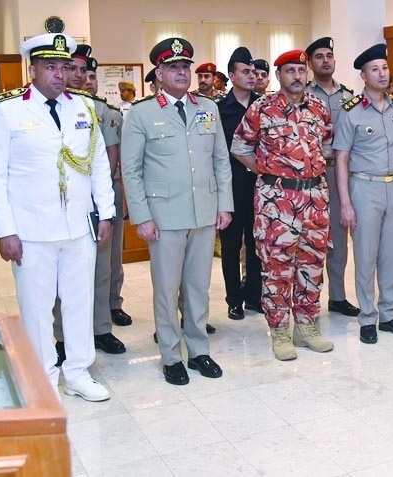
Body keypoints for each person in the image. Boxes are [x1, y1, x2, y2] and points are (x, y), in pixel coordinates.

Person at [0, 33, 115, 402]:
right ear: (34, 69)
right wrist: (5, 230)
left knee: (78, 301)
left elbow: (99, 164)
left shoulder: (84, 108)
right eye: (51, 67)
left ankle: (77, 372)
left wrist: (105, 212)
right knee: (37, 308)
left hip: (78, 227)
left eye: (65, 67)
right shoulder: (8, 109)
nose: (60, 74)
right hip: (30, 230)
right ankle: (42, 378)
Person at [123, 37, 232, 386]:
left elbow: (220, 160)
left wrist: (224, 205)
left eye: (185, 66)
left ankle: (199, 350)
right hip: (164, 216)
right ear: (159, 72)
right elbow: (131, 170)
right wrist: (141, 216)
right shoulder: (142, 113)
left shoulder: (208, 108)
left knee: (199, 287)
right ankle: (171, 354)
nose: (182, 72)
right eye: (174, 67)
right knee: (167, 290)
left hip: (203, 212)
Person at [232, 49, 334, 361]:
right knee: (276, 268)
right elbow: (239, 146)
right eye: (290, 71)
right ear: (278, 76)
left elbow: (327, 145)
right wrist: (266, 170)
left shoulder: (319, 107)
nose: (297, 77)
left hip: (315, 198)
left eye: (301, 71)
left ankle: (306, 328)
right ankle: (279, 330)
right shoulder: (262, 108)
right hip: (277, 201)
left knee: (312, 265)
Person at [334, 43, 393, 344]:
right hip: (364, 188)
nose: (382, 74)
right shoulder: (351, 112)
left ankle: (390, 314)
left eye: (384, 68)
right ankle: (367, 317)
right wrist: (345, 202)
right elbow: (341, 158)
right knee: (366, 256)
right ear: (363, 76)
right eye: (375, 70)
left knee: (390, 255)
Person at [52, 45, 126, 361]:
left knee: (100, 269)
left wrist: (101, 201)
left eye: (83, 70)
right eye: (72, 69)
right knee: (61, 273)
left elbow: (109, 159)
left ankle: (100, 329)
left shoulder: (99, 109)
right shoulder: (44, 108)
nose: (79, 75)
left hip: (95, 200)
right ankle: (60, 335)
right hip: (59, 202)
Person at [305, 36, 359, 317]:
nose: (326, 60)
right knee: (308, 239)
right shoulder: (301, 94)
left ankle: (337, 296)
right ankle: (305, 301)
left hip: (338, 172)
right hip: (309, 175)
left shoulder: (349, 97)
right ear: (310, 63)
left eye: (329, 55)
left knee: (338, 238)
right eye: (319, 56)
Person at [216, 47, 264, 320]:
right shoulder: (220, 110)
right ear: (232, 76)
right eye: (245, 72)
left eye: (254, 72)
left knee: (258, 242)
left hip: (260, 183)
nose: (251, 76)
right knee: (232, 245)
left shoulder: (264, 106)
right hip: (231, 184)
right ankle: (234, 298)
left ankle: (255, 296)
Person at [85, 58, 133, 329]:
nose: (88, 81)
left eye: (93, 77)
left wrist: (123, 196)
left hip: (110, 186)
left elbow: (120, 159)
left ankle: (113, 302)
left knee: (112, 253)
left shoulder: (110, 112)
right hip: (79, 191)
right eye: (84, 75)